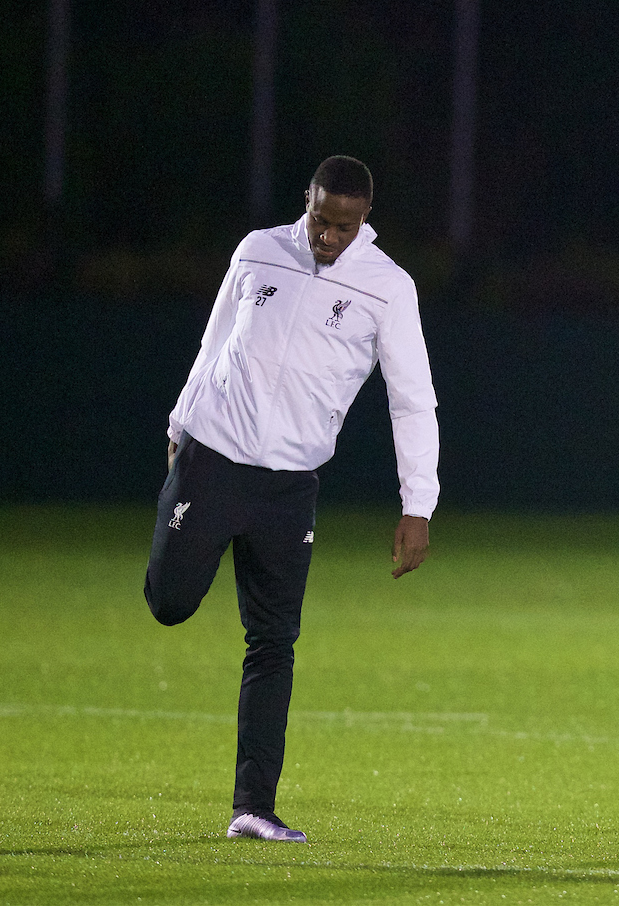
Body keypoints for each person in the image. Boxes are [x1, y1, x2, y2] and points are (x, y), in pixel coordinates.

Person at [144, 155, 439, 843]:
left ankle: (253, 807)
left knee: (274, 641)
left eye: (345, 225)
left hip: (289, 486)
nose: (328, 237)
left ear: (365, 219)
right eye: (320, 219)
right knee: (170, 603)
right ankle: (186, 528)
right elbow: (214, 340)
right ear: (304, 201)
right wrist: (179, 429)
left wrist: (417, 503)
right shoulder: (257, 252)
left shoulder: (388, 288)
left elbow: (412, 399)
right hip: (212, 458)